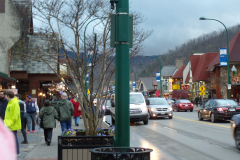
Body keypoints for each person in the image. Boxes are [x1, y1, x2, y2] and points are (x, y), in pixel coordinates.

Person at [4, 91, 21, 156]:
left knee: (14, 138)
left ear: (8, 96)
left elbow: (15, 116)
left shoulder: (14, 103)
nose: (5, 97)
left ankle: (16, 152)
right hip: (8, 124)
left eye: (6, 96)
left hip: (11, 125)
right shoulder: (10, 103)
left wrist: (9, 123)